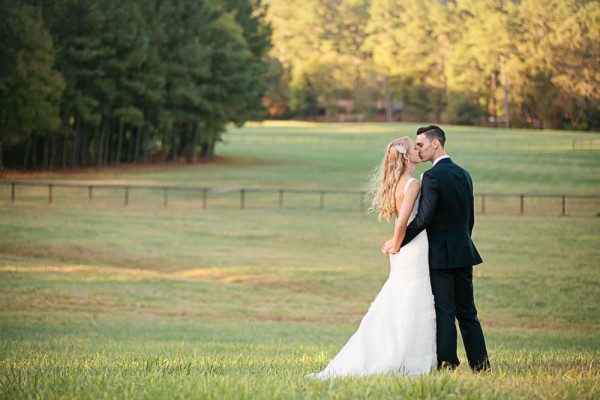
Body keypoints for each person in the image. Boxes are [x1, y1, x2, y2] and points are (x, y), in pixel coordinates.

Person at [307, 136, 436, 379]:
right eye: (414, 148)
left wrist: (395, 245)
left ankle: (403, 353)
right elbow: (402, 224)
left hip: (404, 249)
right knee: (413, 299)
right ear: (406, 156)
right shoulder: (413, 184)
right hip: (411, 247)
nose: (419, 150)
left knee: (400, 299)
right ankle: (408, 360)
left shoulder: (398, 183)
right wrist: (396, 245)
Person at [401, 125, 490, 372]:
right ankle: (481, 365)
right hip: (464, 250)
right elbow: (469, 217)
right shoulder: (464, 174)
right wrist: (462, 241)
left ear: (435, 144)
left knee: (444, 311)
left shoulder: (431, 177)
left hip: (440, 255)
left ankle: (447, 364)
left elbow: (424, 218)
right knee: (468, 312)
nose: (418, 149)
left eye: (420, 144)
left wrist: (399, 241)